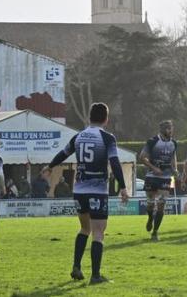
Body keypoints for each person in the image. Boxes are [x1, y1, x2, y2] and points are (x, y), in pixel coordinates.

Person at [45, 102, 128, 285]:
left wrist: (50, 166)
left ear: (89, 117)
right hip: (97, 190)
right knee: (98, 232)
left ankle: (76, 266)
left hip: (79, 190)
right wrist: (123, 187)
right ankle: (96, 276)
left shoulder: (78, 137)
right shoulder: (107, 138)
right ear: (106, 119)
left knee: (84, 228)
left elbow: (63, 153)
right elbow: (114, 162)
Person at [139, 120, 177, 241]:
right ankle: (150, 218)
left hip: (166, 177)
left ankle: (155, 232)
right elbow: (142, 157)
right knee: (150, 203)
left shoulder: (174, 143)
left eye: (171, 128)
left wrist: (174, 169)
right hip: (151, 176)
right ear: (163, 130)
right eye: (168, 128)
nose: (171, 131)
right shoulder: (152, 141)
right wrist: (153, 168)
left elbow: (173, 157)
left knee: (161, 204)